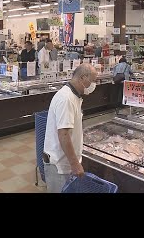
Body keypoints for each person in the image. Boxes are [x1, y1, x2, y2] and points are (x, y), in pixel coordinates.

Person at [43, 63, 98, 193]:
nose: (94, 85)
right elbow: (64, 135)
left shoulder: (74, 96)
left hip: (65, 161)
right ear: (83, 78)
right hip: (59, 164)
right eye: (93, 80)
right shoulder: (66, 99)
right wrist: (75, 164)